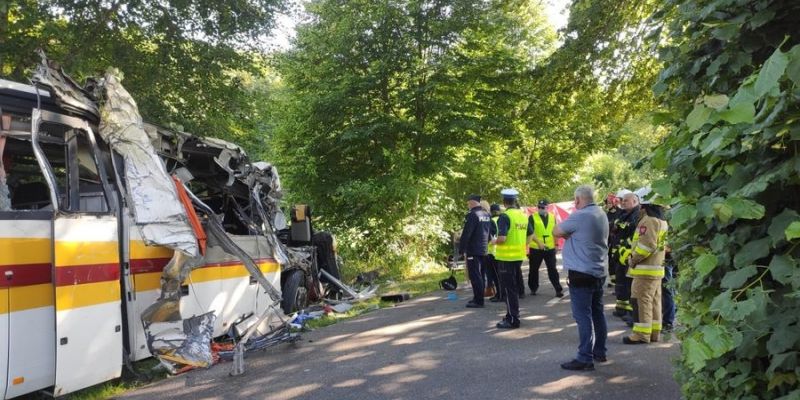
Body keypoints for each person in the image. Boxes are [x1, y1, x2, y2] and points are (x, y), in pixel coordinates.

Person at [554, 184, 609, 371]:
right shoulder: (601, 213)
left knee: (582, 316)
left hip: (581, 272)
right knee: (597, 313)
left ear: (577, 200)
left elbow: (556, 231)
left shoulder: (580, 215)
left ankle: (584, 357)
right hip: (599, 270)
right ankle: (599, 351)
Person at [623, 187, 669, 344]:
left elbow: (646, 246)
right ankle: (653, 332)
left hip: (645, 270)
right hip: (656, 270)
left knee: (641, 301)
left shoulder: (648, 221)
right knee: (654, 302)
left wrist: (632, 259)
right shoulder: (661, 221)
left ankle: (641, 335)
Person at [493, 188, 533, 329]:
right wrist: (523, 245)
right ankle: (512, 315)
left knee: (509, 290)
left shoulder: (505, 216)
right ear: (515, 200)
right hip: (518, 256)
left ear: (504, 202)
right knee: (513, 287)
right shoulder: (523, 215)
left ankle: (513, 319)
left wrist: (493, 241)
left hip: (505, 258)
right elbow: (530, 235)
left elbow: (502, 238)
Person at [459, 194, 492, 308]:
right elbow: (488, 232)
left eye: (468, 203)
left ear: (472, 202)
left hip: (473, 249)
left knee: (475, 275)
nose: (468, 205)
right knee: (481, 274)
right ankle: (478, 297)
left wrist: (461, 249)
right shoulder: (486, 214)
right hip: (483, 249)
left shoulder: (473, 215)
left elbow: (467, 233)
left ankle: (478, 300)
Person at [612, 190, 640, 320]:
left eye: (626, 201)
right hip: (620, 254)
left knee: (630, 284)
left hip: (629, 255)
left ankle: (630, 312)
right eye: (622, 200)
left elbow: (632, 233)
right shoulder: (623, 214)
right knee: (621, 282)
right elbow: (615, 228)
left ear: (634, 201)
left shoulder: (637, 215)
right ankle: (621, 308)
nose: (622, 203)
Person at [528, 199, 563, 297]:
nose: (540, 209)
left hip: (549, 248)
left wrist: (556, 245)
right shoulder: (532, 217)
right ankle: (533, 288)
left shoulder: (552, 217)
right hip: (536, 248)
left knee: (552, 268)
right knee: (533, 269)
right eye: (539, 207)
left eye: (543, 207)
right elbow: (531, 233)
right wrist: (538, 243)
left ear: (548, 208)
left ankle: (558, 289)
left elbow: (555, 232)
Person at [604, 193, 622, 287]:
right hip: (610, 242)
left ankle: (618, 281)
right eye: (607, 203)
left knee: (617, 261)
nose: (608, 205)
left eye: (610, 203)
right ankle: (613, 280)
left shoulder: (620, 213)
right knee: (611, 261)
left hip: (618, 241)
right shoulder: (607, 215)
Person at [487, 203, 502, 301]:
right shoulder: (503, 219)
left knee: (496, 276)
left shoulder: (491, 221)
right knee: (501, 275)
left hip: (493, 252)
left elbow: (490, 237)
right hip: (502, 252)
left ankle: (499, 295)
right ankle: (501, 294)